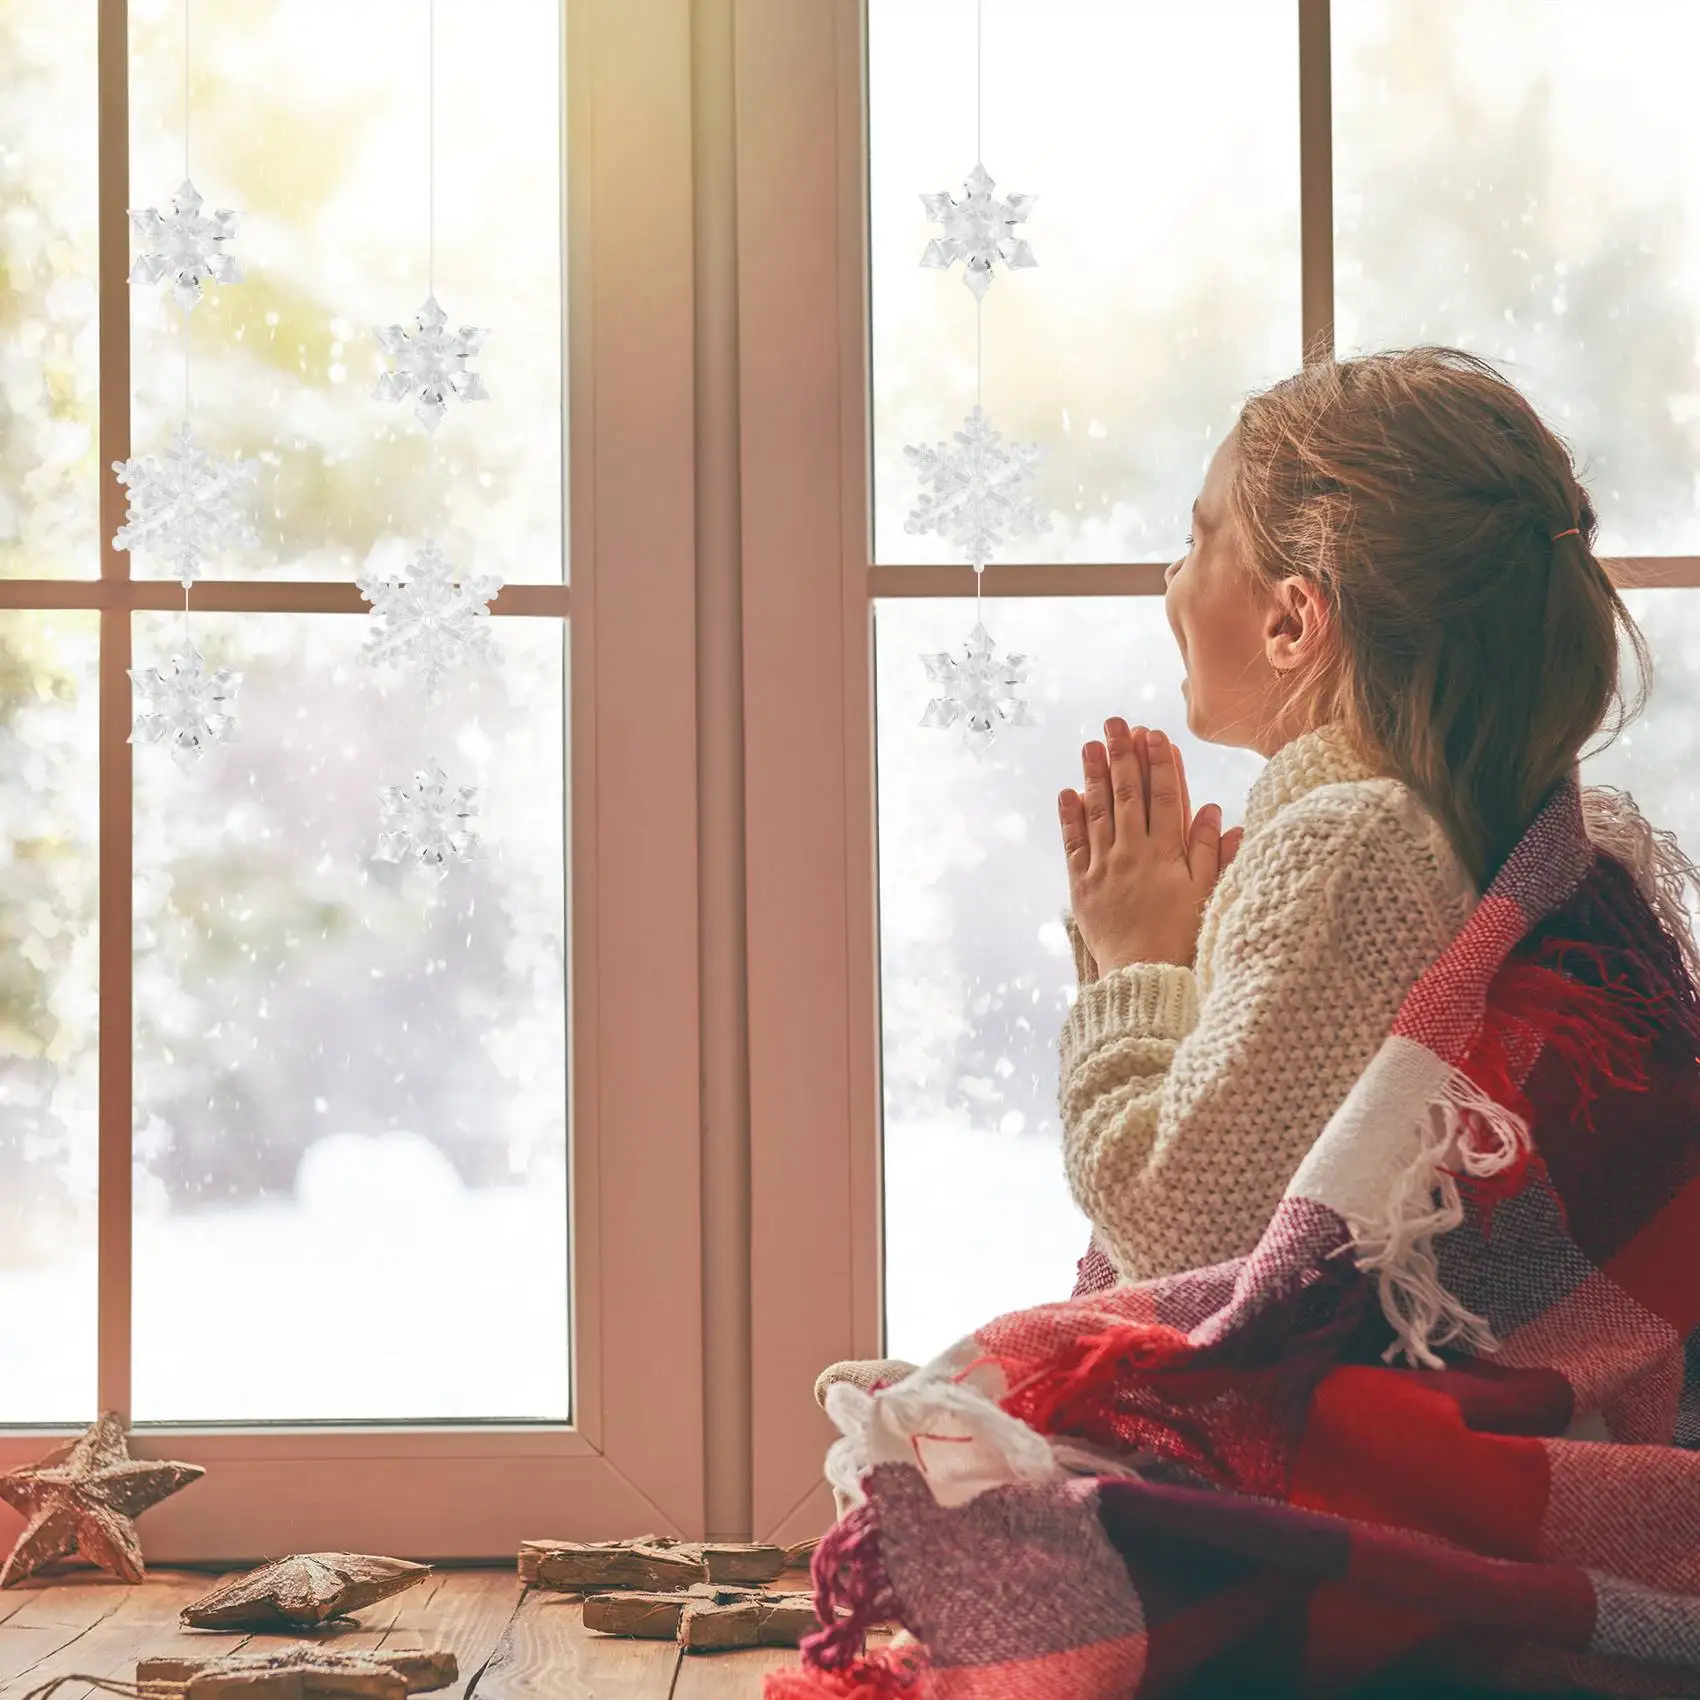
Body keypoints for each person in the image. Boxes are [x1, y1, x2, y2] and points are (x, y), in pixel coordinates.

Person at [818, 345, 1681, 1406]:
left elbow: (1179, 1226)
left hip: (1398, 1424)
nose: (1168, 577)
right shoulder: (1432, 826)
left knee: (935, 1471)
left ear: (1290, 620)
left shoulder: (1347, 847)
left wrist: (1134, 965)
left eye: (1193, 540)